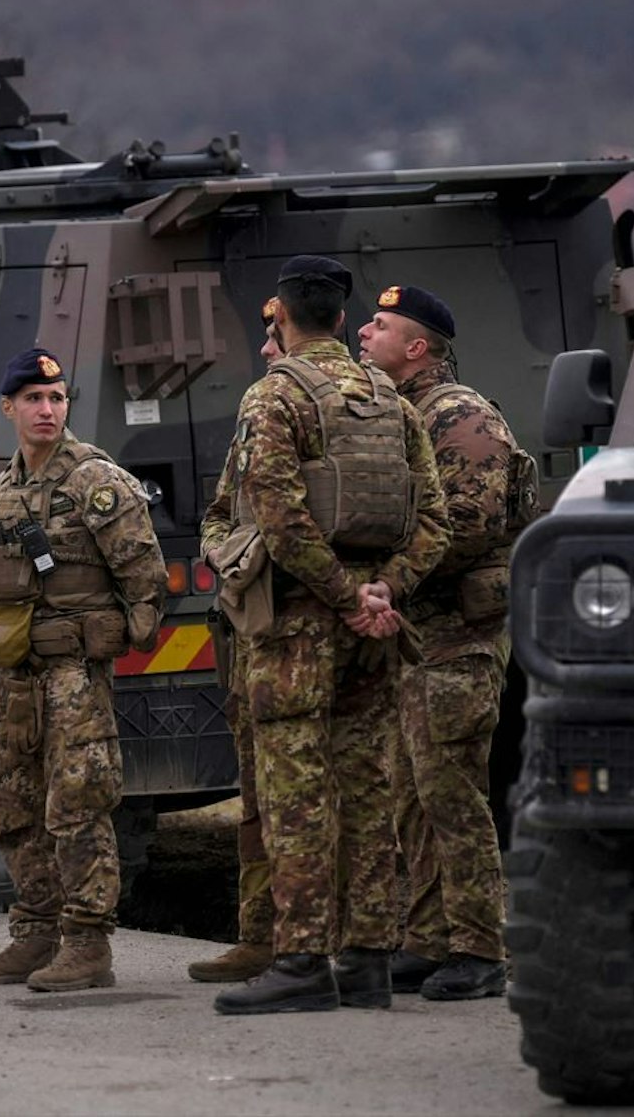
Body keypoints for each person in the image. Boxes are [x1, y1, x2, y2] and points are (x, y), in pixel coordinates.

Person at [213, 256, 448, 1015]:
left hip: (296, 629)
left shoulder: (274, 395)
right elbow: (434, 521)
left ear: (278, 314)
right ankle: (369, 963)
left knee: (297, 794)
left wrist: (345, 596)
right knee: (368, 790)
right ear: (344, 320)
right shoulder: (392, 400)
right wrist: (386, 591)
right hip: (371, 628)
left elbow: (278, 519)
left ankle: (304, 960)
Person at [0, 348, 167, 993]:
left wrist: (106, 639)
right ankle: (35, 934)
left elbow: (145, 577)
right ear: (9, 409)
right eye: (33, 400)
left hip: (73, 673)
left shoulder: (95, 480)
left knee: (78, 804)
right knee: (14, 802)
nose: (46, 410)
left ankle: (87, 944)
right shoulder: (3, 488)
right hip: (16, 672)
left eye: (56, 399)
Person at [357, 284, 523, 1000]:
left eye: (382, 324)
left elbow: (469, 524)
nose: (365, 331)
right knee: (410, 794)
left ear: (418, 346)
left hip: (459, 636)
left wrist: (387, 576)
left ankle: (482, 949)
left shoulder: (460, 416)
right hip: (416, 639)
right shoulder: (401, 414)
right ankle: (427, 940)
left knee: (452, 793)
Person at [187, 298, 286, 984]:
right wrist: (229, 556)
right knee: (258, 789)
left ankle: (335, 942)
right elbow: (223, 509)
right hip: (250, 625)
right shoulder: (259, 408)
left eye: (272, 336)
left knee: (314, 793)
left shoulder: (349, 407)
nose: (265, 350)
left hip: (303, 631)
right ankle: (261, 935)